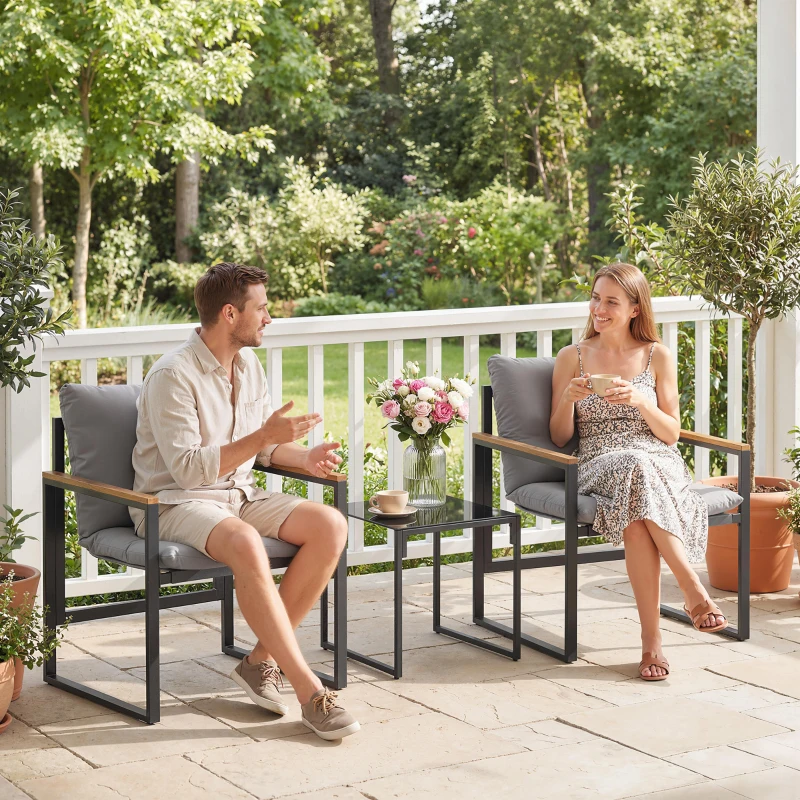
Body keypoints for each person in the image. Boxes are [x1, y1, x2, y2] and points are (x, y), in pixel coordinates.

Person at [129, 262, 359, 739]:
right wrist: (263, 437)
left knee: (330, 525)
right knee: (246, 541)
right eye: (263, 308)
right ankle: (309, 690)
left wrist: (304, 456)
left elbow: (266, 448)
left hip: (236, 493)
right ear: (231, 313)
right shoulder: (172, 375)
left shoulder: (248, 365)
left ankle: (258, 663)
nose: (270, 318)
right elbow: (190, 469)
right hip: (173, 503)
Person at [550, 262, 728, 681]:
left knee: (636, 514)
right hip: (600, 460)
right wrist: (568, 401)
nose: (599, 308)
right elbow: (559, 438)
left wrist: (642, 402)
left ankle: (652, 646)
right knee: (634, 466)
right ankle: (692, 590)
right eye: (596, 298)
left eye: (611, 301)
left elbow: (671, 435)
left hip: (656, 461)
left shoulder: (657, 355)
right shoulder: (570, 357)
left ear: (634, 308)